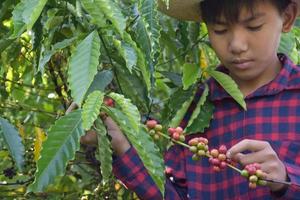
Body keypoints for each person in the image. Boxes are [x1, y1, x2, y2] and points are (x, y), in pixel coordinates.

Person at [82, 0, 300, 199]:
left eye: (254, 26)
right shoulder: (197, 109)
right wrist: (119, 143)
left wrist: (284, 183)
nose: (237, 45)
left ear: (288, 17)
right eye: (220, 29)